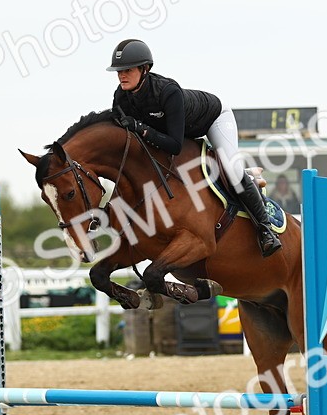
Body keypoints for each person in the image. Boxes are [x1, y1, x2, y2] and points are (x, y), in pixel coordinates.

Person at [96, 38, 281, 257]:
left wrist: (141, 128)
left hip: (213, 120)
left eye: (127, 70)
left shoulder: (167, 91)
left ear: (144, 69)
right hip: (182, 131)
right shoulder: (121, 96)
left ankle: (265, 229)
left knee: (231, 170)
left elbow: (174, 145)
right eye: (118, 71)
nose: (121, 75)